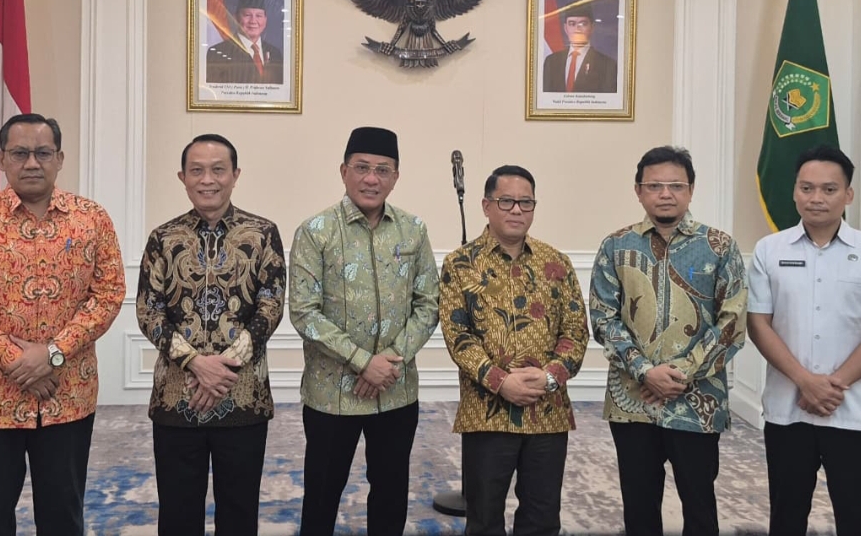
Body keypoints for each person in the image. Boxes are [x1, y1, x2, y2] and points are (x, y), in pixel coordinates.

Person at [0, 113, 125, 536]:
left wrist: (52, 354)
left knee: (63, 514)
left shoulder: (92, 218)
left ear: (60, 158)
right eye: (20, 153)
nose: (32, 163)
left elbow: (108, 294)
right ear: (2, 159)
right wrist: (17, 360)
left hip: (66, 394)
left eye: (43, 153)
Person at [747, 145, 861, 536]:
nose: (816, 198)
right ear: (794, 192)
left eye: (829, 189)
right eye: (807, 188)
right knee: (786, 517)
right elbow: (758, 324)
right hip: (787, 410)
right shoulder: (769, 250)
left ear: (848, 194)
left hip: (851, 409)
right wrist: (805, 381)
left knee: (857, 517)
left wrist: (831, 386)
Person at [589, 145, 747, 536]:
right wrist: (645, 371)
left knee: (700, 505)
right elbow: (603, 318)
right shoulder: (615, 246)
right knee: (639, 506)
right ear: (638, 191)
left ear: (691, 190)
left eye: (676, 185)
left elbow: (732, 321)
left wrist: (679, 374)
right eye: (654, 185)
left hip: (697, 400)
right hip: (632, 402)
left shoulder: (720, 246)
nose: (665, 194)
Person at [288, 126, 439, 536]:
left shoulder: (413, 229)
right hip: (332, 393)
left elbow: (428, 303)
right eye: (362, 168)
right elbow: (304, 312)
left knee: (391, 493)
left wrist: (387, 362)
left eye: (382, 170)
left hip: (395, 389)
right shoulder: (315, 231)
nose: (372, 179)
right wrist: (362, 362)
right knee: (322, 494)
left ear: (396, 176)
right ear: (344, 171)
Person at [135, 133, 286, 535]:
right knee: (177, 512)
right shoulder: (163, 238)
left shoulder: (263, 234)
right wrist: (196, 363)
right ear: (182, 177)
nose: (208, 180)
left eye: (218, 170)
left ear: (235, 175)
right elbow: (149, 310)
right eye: (197, 170)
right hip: (176, 395)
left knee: (239, 511)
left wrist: (223, 368)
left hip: (243, 396)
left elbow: (271, 306)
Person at [439, 165, 589, 536]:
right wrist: (501, 382)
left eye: (526, 202)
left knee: (542, 517)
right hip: (486, 411)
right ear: (486, 206)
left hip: (547, 411)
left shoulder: (556, 263)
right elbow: (458, 335)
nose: (517, 209)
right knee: (484, 518)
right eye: (506, 201)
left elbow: (575, 331)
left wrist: (550, 377)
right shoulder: (460, 264)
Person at [206, 0, 284, 84]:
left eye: (259, 16)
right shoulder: (218, 53)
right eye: (247, 15)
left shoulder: (275, 54)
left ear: (265, 20)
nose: (253, 21)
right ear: (236, 18)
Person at [542, 2, 617, 93]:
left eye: (583, 24)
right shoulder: (551, 62)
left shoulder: (608, 65)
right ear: (566, 28)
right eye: (572, 24)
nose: (577, 29)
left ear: (592, 27)